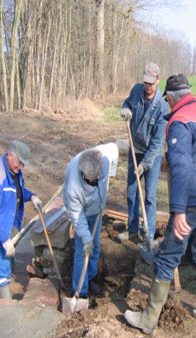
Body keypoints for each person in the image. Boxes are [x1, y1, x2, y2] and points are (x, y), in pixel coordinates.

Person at [125, 74, 196, 334]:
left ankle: (148, 321)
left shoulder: (178, 121)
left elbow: (181, 168)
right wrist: (171, 153)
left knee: (168, 257)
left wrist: (178, 213)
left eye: (167, 101)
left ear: (170, 98)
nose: (167, 105)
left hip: (192, 199)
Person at [0, 140, 42, 300]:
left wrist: (31, 196)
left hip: (6, 223)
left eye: (24, 164)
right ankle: (5, 309)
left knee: (4, 265)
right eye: (20, 163)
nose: (22, 167)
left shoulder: (14, 171)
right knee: (2, 271)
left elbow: (16, 190)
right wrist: (4, 240)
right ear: (10, 155)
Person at [119, 62, 170, 244]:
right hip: (135, 149)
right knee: (132, 193)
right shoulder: (136, 90)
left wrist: (144, 165)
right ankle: (132, 230)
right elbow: (128, 102)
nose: (148, 87)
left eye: (151, 83)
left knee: (149, 196)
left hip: (152, 156)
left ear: (158, 80)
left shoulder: (163, 107)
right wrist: (125, 108)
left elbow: (157, 144)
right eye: (146, 82)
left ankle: (148, 235)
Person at [63, 148, 110, 298]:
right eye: (89, 178)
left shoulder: (104, 163)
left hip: (96, 211)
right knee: (82, 252)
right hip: (81, 213)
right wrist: (86, 238)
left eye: (95, 177)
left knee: (95, 246)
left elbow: (113, 155)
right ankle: (80, 290)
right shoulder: (73, 186)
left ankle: (90, 277)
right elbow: (77, 216)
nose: (93, 180)